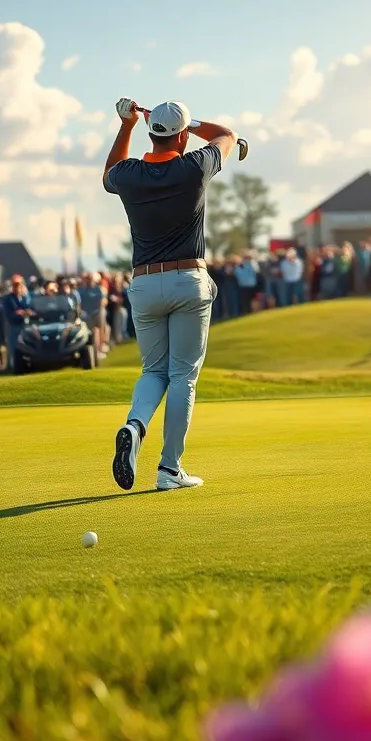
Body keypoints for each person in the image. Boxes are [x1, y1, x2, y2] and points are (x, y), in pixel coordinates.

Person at [103, 98, 236, 491]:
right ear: (180, 136)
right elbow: (226, 136)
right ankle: (168, 469)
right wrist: (191, 124)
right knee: (182, 376)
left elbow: (109, 173)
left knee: (153, 371)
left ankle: (135, 424)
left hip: (144, 283)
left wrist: (127, 124)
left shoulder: (128, 174)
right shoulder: (194, 167)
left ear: (150, 134)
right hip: (187, 281)